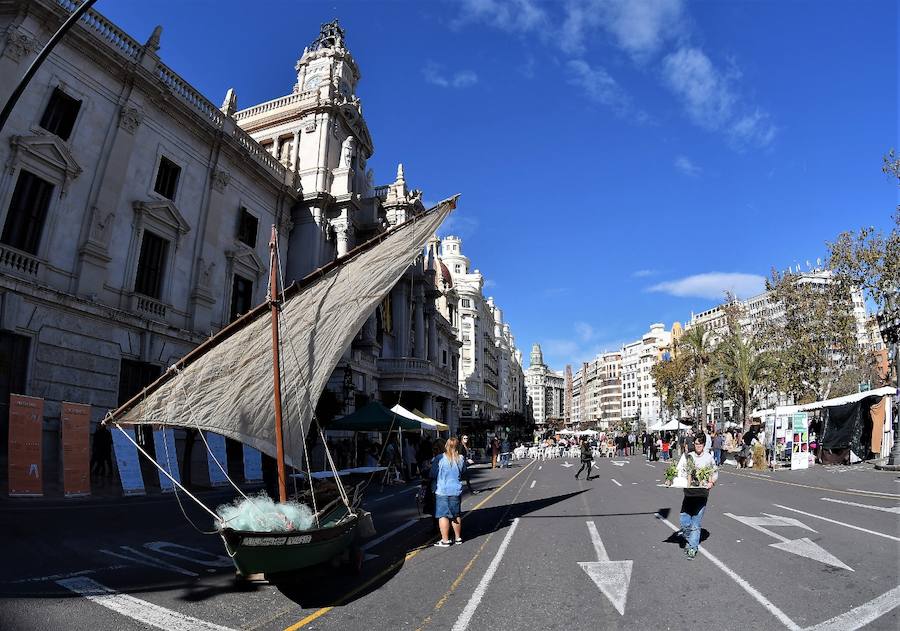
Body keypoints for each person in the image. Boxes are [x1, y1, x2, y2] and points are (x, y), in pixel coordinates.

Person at [673, 433, 718, 559]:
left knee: (695, 524)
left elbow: (714, 473)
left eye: (700, 444)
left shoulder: (708, 458)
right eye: (696, 444)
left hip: (701, 494)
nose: (698, 446)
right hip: (689, 494)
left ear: (704, 445)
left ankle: (692, 548)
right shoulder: (689, 457)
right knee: (684, 521)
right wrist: (673, 479)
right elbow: (681, 470)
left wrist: (711, 482)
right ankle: (689, 537)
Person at [431, 437, 466, 547]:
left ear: (446, 445)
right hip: (455, 489)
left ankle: (445, 540)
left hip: (442, 490)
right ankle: (458, 537)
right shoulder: (460, 458)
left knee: (443, 515)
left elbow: (433, 474)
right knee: (456, 514)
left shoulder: (439, 458)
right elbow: (463, 471)